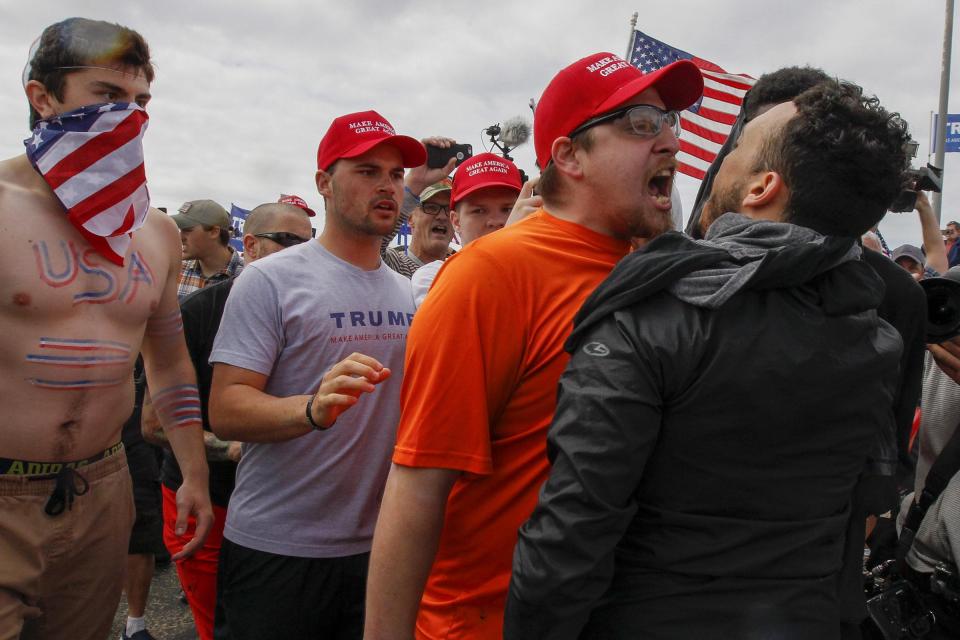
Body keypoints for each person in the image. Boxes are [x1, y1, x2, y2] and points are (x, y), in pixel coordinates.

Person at [504, 79, 911, 638]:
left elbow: (569, 536)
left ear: (761, 187)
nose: (719, 155)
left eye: (738, 145)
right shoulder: (871, 335)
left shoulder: (654, 316)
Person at [364, 52, 704, 639]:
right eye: (641, 124)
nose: (670, 141)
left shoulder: (660, 272)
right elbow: (419, 484)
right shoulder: (490, 275)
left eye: (669, 120)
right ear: (569, 155)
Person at [684, 65, 926, 638]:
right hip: (683, 590)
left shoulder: (894, 298)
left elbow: (885, 472)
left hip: (810, 591)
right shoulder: (679, 276)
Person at [0, 17, 211, 640]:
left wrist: (194, 472)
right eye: (107, 96)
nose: (129, 117)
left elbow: (169, 360)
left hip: (102, 487)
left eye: (141, 101)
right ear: (43, 97)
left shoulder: (155, 232)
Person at [207, 110, 423, 639]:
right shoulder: (270, 280)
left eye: (395, 175)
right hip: (278, 547)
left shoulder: (408, 292)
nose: (387, 187)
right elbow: (227, 408)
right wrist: (310, 408)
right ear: (324, 183)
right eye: (367, 171)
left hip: (380, 546)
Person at [142, 202, 313, 640]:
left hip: (284, 509)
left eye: (310, 244)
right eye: (288, 242)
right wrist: (234, 445)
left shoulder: (313, 312)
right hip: (208, 501)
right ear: (250, 246)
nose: (303, 255)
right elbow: (153, 424)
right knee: (217, 626)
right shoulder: (200, 311)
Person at [411, 153, 523, 307]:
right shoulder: (434, 276)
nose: (495, 221)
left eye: (507, 209)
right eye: (479, 211)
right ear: (456, 221)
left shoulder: (537, 270)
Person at [173, 199, 244, 299]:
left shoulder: (245, 277)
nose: (180, 237)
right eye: (180, 230)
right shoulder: (176, 270)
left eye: (187, 230)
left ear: (214, 232)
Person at [384, 179, 454, 278]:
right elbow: (370, 246)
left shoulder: (461, 275)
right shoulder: (391, 266)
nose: (442, 216)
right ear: (410, 217)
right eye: (431, 207)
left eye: (449, 209)